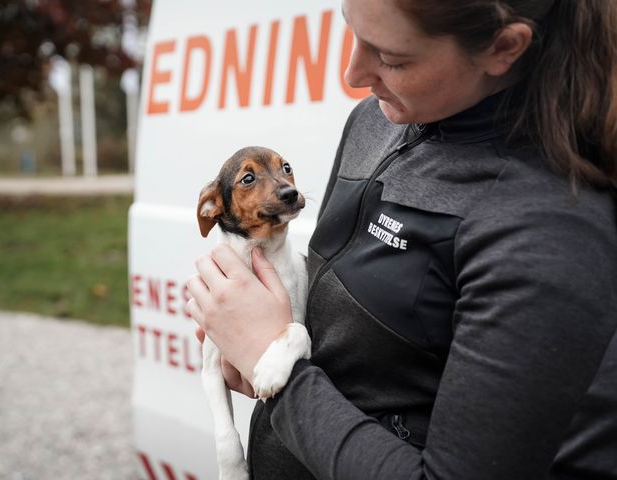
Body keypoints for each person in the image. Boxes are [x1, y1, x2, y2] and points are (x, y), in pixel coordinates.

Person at [186, 0, 617, 478]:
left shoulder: (548, 233)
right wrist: (247, 336)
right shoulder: (373, 122)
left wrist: (272, 362)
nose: (353, 74)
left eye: (392, 58)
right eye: (350, 31)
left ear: (504, 48)